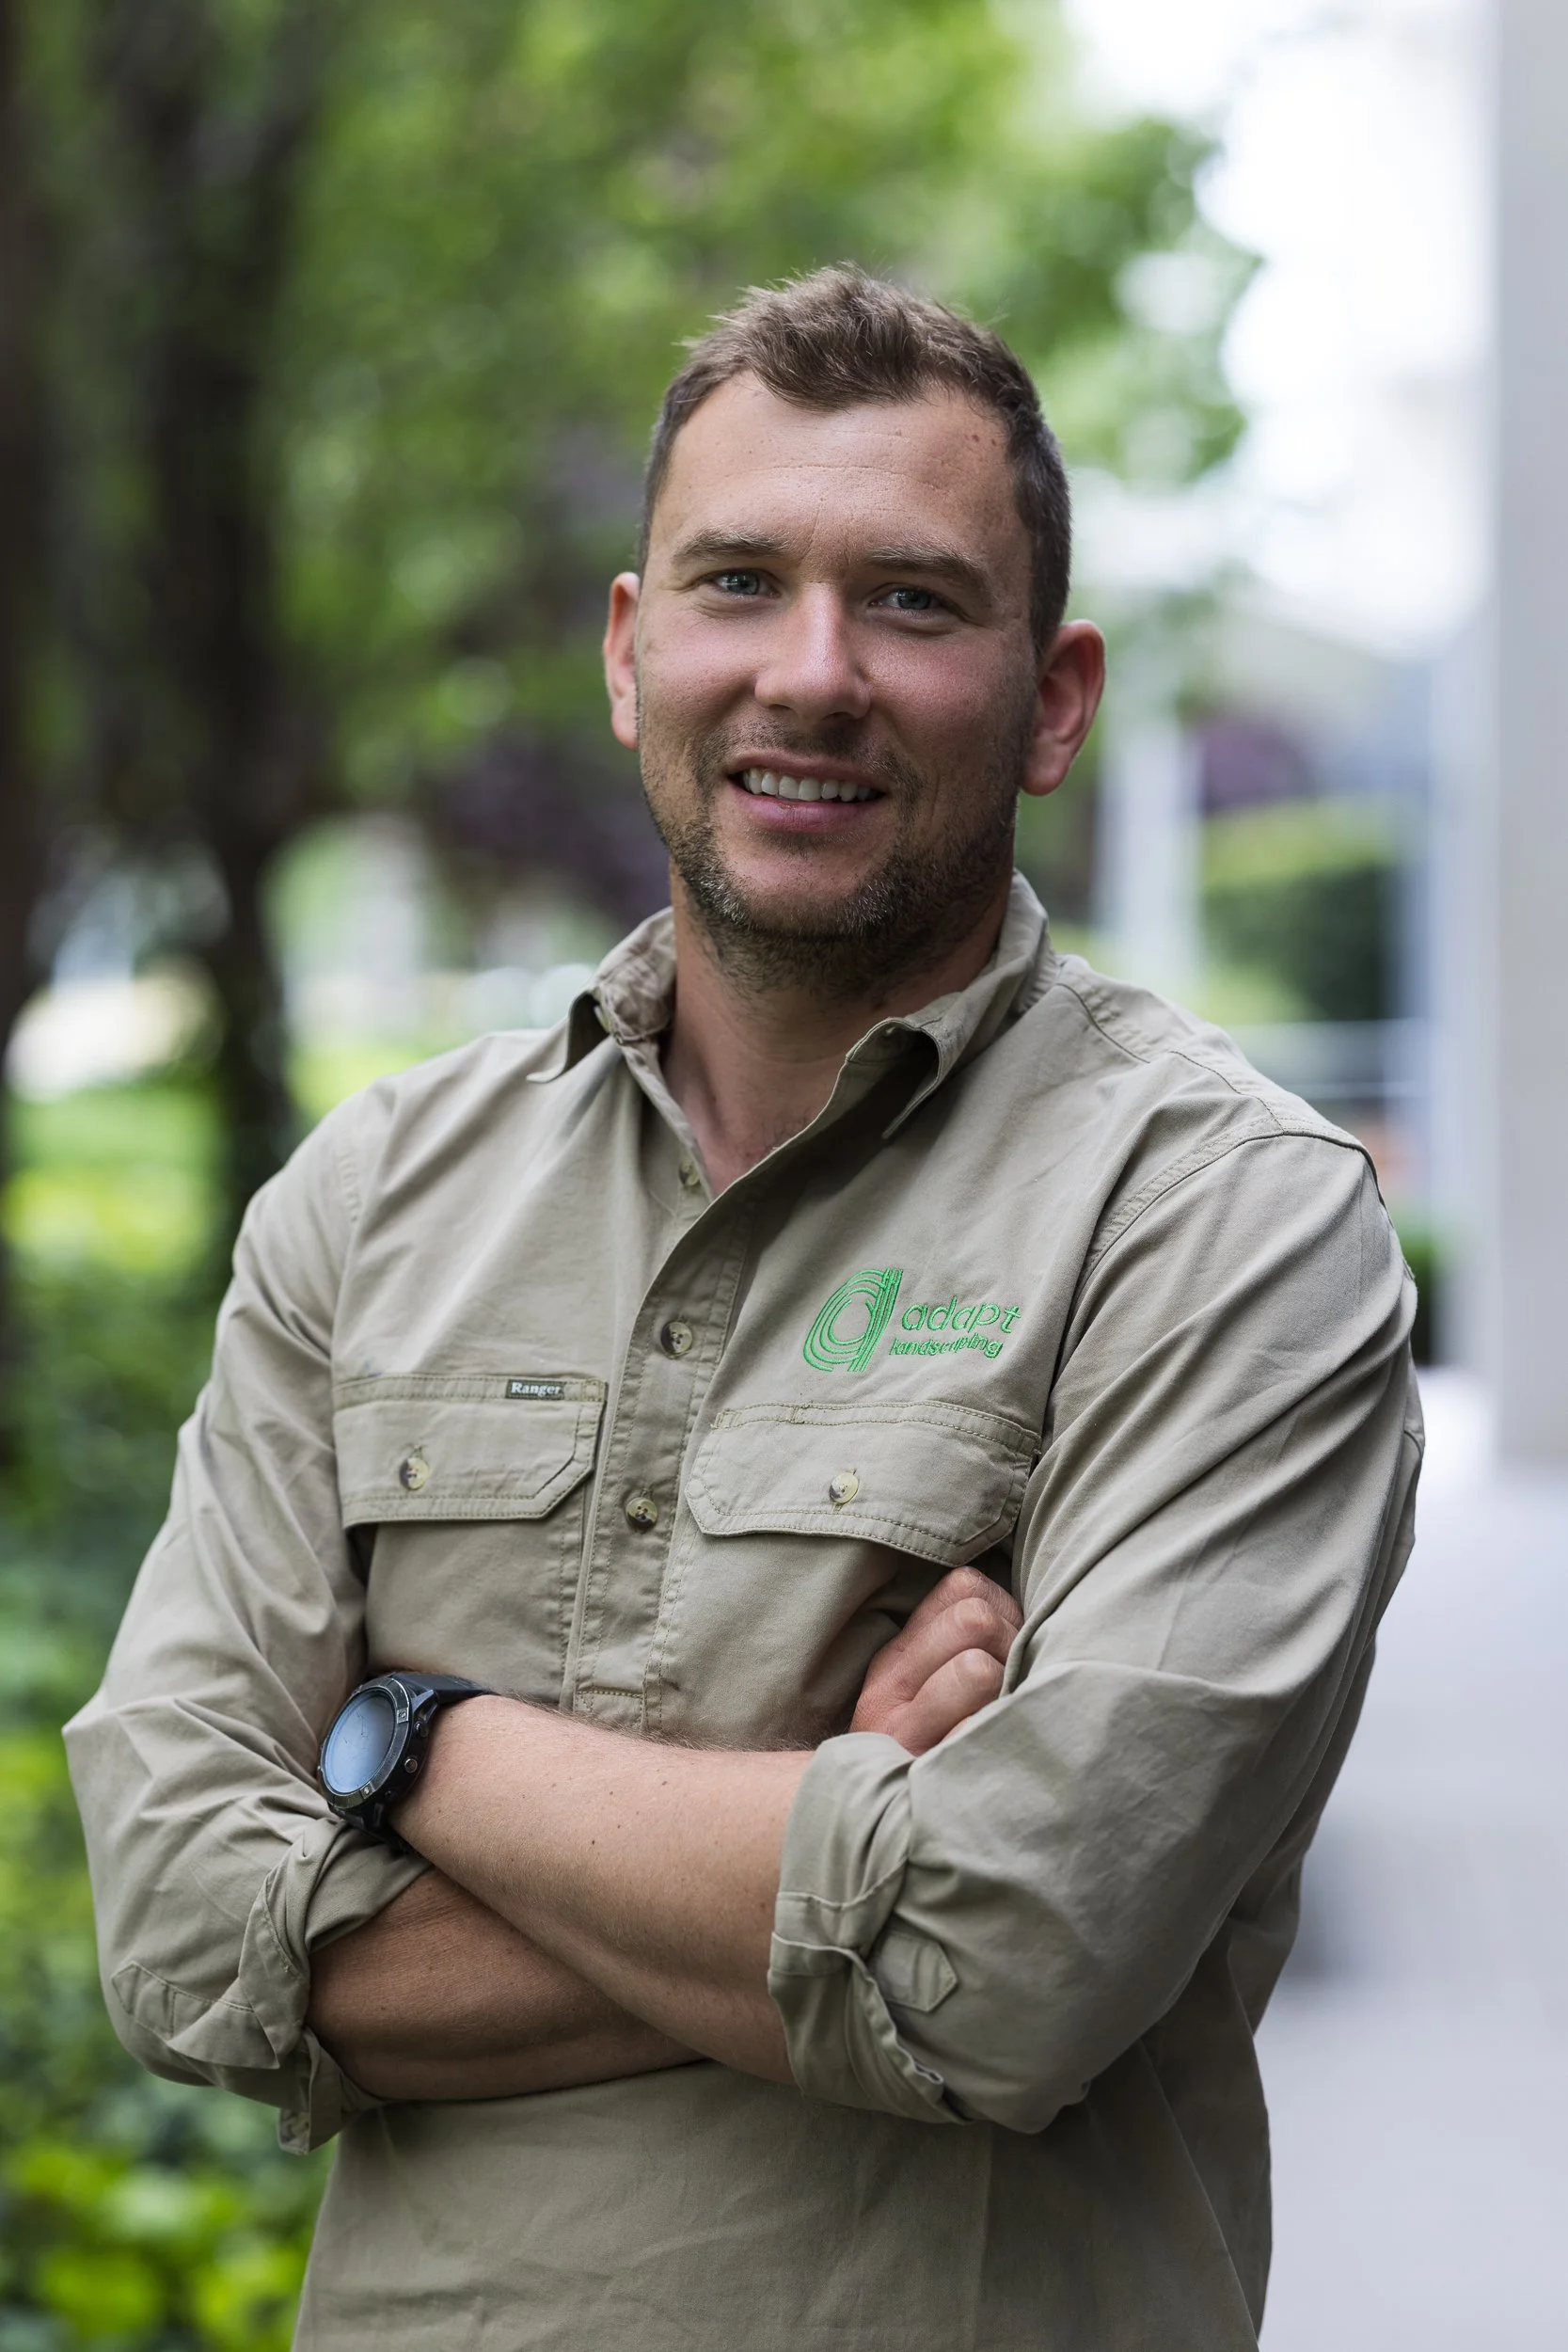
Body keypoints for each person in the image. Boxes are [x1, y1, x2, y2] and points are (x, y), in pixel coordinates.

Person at [67, 265, 1420, 2350]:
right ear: (631, 654)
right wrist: (820, 1778)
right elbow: (175, 1937)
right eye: (735, 583)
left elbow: (1008, 1952)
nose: (809, 672)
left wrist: (407, 1749)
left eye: (908, 599)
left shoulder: (1224, 1222)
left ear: (1051, 697)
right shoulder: (372, 1196)